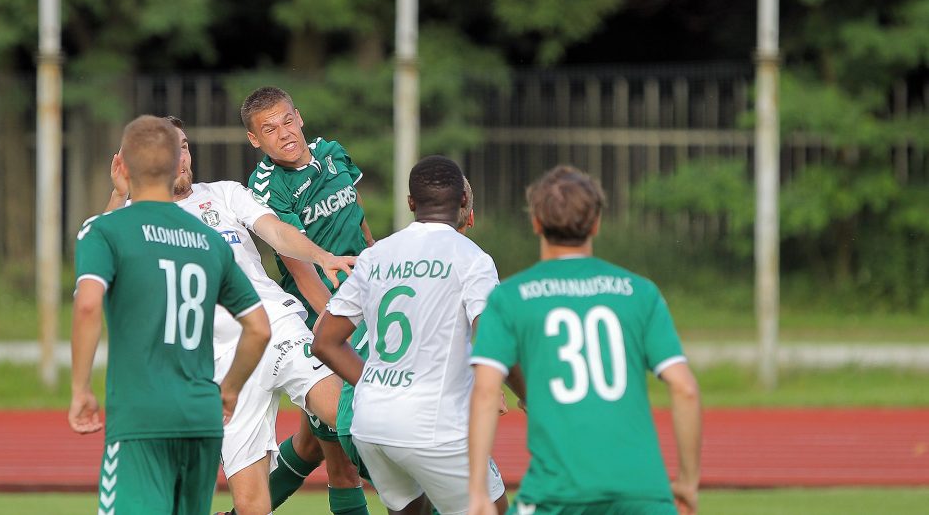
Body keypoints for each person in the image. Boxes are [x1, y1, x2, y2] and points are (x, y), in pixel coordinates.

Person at [103, 116, 358, 515]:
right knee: (251, 504)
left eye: (184, 146)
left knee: (348, 418)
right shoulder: (136, 218)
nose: (181, 157)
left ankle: (436, 491)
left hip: (276, 329)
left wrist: (322, 256)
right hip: (219, 366)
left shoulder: (223, 194)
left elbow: (276, 232)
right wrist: (120, 195)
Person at [468, 166, 702, 515]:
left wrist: (476, 491)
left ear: (535, 222)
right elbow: (685, 389)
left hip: (556, 491)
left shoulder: (510, 298)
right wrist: (687, 480)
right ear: (596, 223)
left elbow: (486, 393)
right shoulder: (640, 292)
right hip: (642, 491)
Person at [69, 115, 271, 515]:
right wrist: (229, 389)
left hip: (142, 413)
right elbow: (259, 328)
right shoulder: (208, 240)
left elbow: (88, 303)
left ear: (122, 167)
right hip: (201, 415)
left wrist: (80, 389)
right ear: (175, 163)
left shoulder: (105, 230)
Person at [313, 155, 508, 515]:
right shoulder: (472, 258)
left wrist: (373, 382)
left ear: (410, 203)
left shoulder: (377, 255)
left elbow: (323, 341)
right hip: (433, 424)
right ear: (464, 202)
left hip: (370, 421)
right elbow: (492, 337)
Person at [242, 86, 373, 515]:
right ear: (255, 140)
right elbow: (300, 267)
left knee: (309, 446)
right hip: (318, 323)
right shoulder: (265, 186)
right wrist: (338, 329)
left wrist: (380, 280)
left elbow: (360, 222)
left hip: (363, 305)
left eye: (286, 121)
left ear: (299, 117)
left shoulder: (334, 153)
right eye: (268, 129)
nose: (283, 133)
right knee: (344, 458)